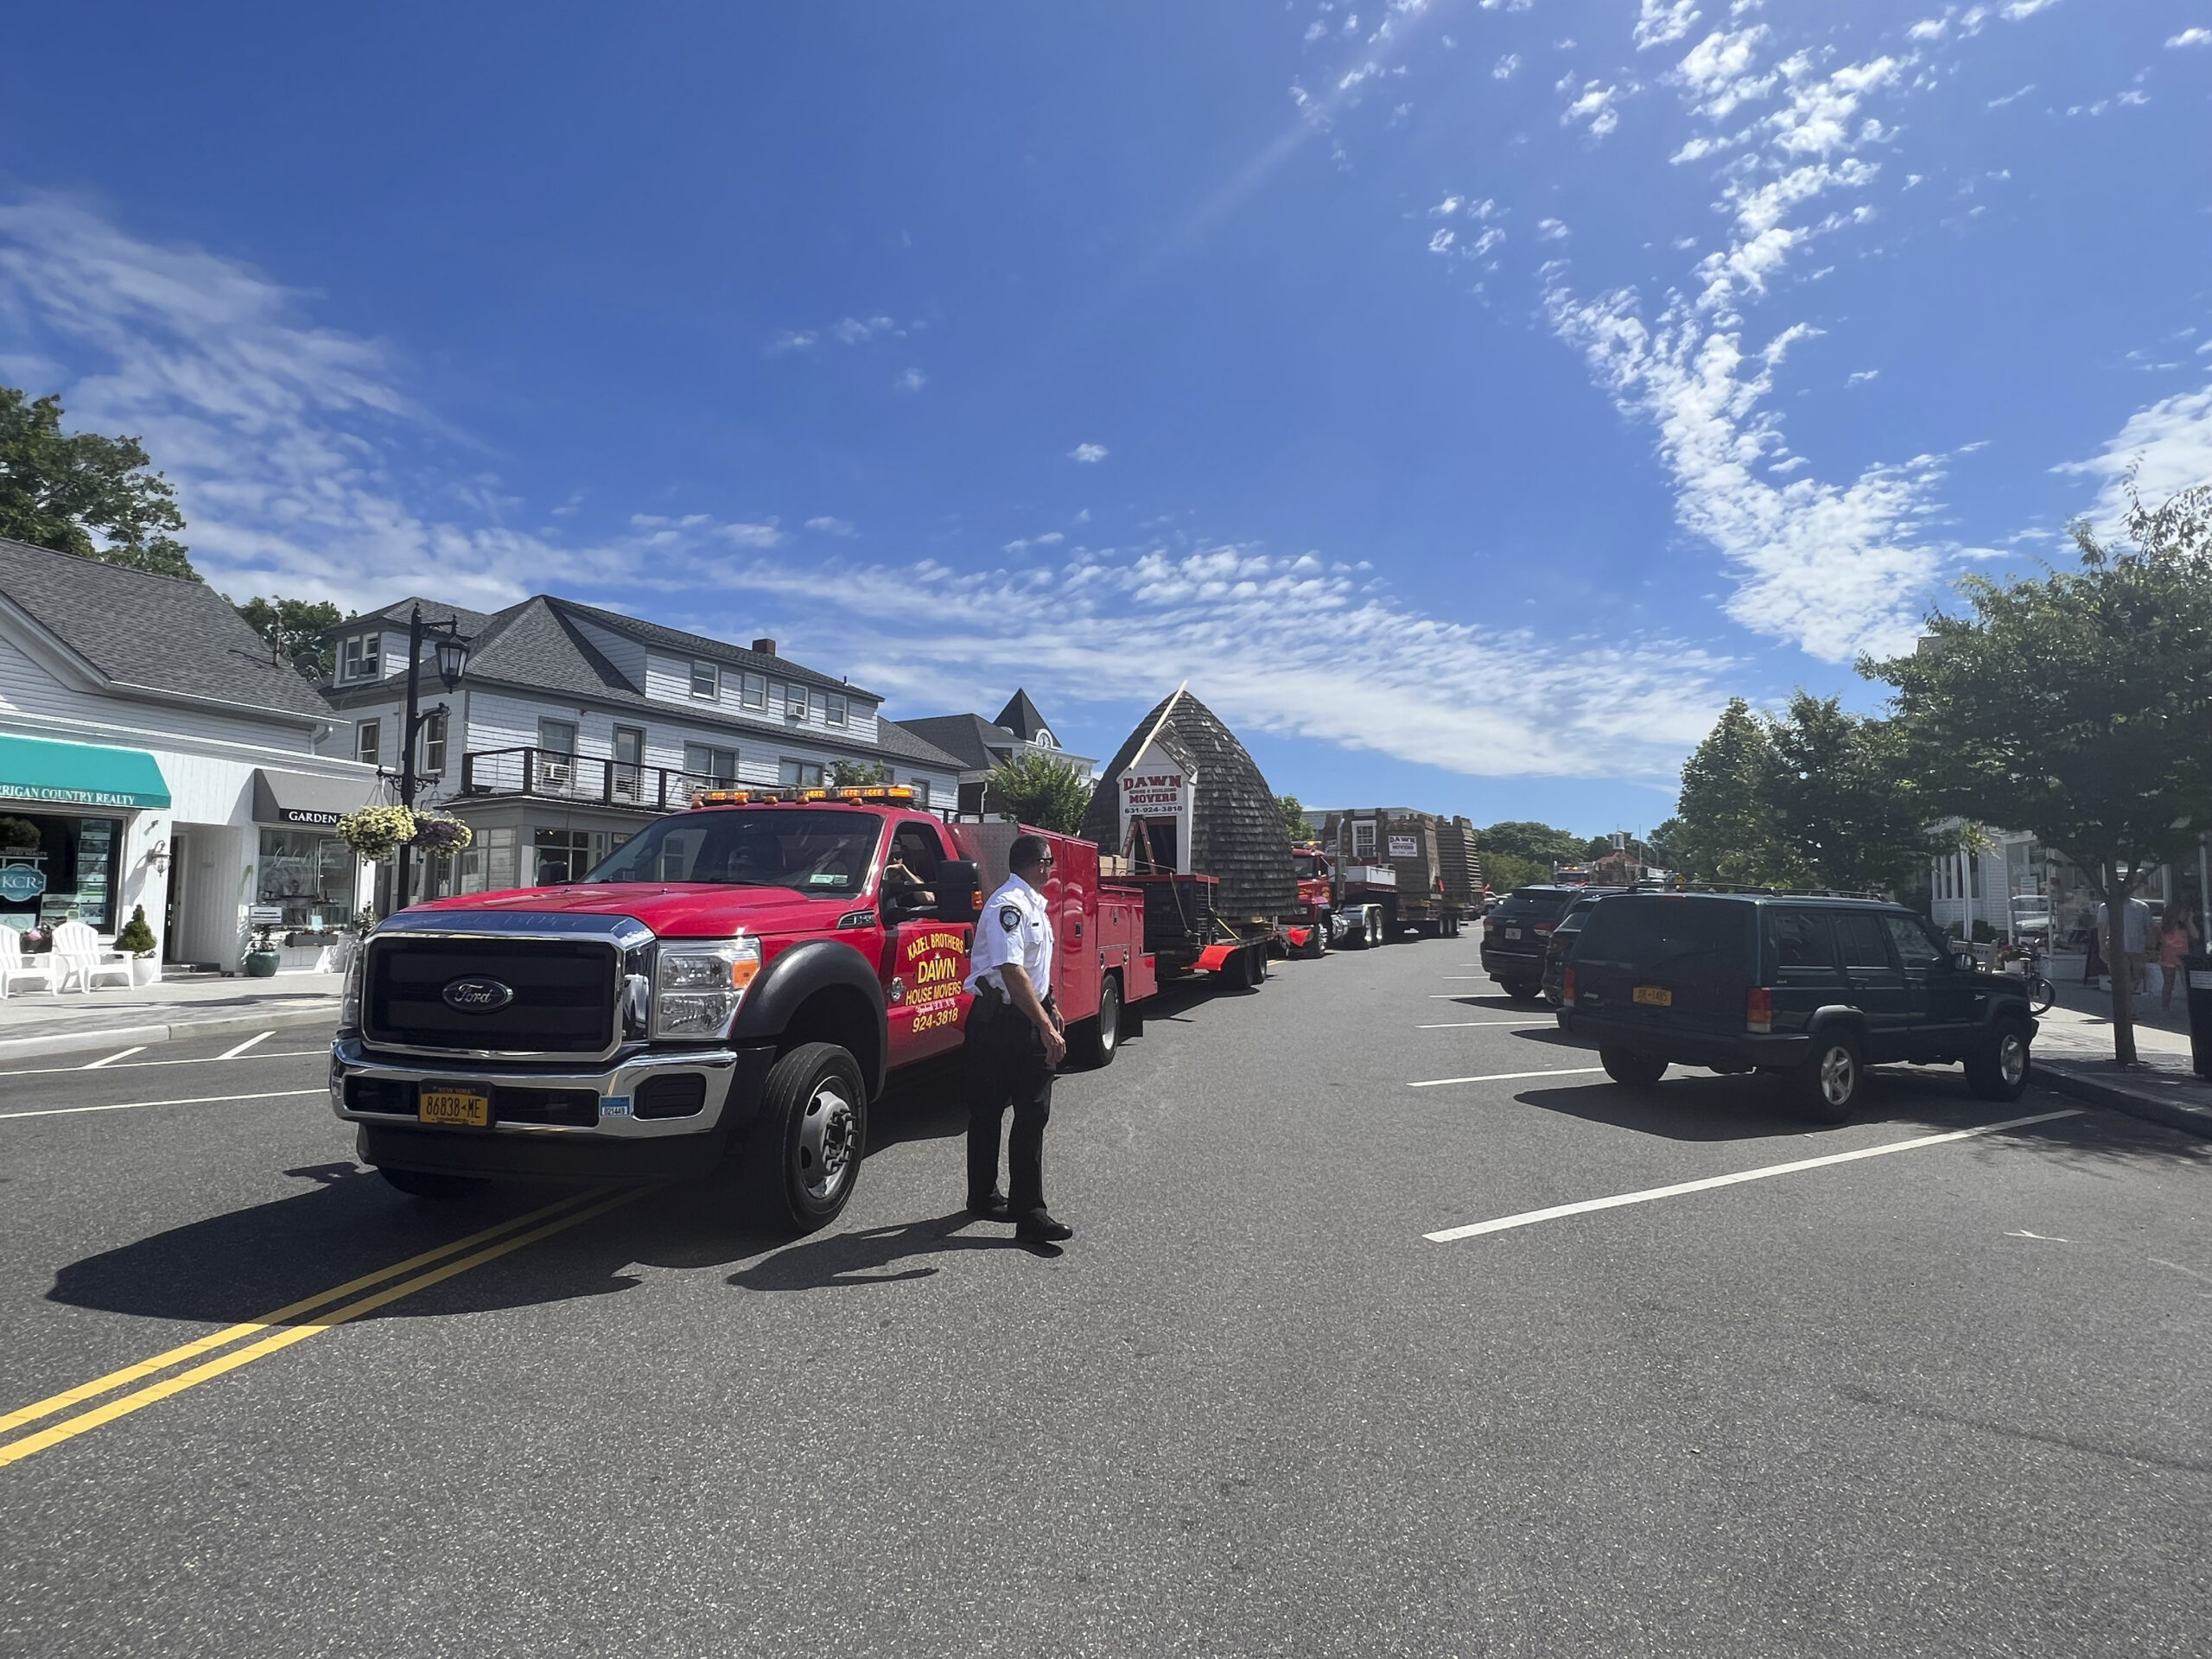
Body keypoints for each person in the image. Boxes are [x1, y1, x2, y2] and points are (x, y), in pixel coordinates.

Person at [962, 835, 1073, 1245]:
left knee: (1012, 1113)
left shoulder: (1032, 906)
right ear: (1037, 864)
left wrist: (1052, 1004)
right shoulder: (1010, 906)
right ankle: (1028, 1215)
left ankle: (986, 1197)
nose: (1052, 868)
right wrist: (1045, 1027)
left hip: (1018, 1015)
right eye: (1049, 861)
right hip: (1004, 1022)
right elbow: (1011, 971)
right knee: (1021, 1114)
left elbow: (1034, 966)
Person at [2094, 890, 2156, 1002]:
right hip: (2115, 949)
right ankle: (2127, 1007)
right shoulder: (2106, 907)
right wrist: (2102, 947)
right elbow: (2102, 928)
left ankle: (2127, 1002)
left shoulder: (2141, 907)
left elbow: (2149, 928)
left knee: (2137, 977)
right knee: (2120, 979)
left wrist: (2151, 947)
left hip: (2137, 948)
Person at [2157, 903, 2197, 1013]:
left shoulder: (2184, 926)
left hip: (2183, 956)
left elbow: (2196, 935)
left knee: (2187, 982)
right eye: (2183, 913)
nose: (2185, 915)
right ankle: (2165, 1006)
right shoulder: (2165, 926)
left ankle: (2192, 1005)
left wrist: (2189, 921)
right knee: (2169, 982)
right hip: (2168, 956)